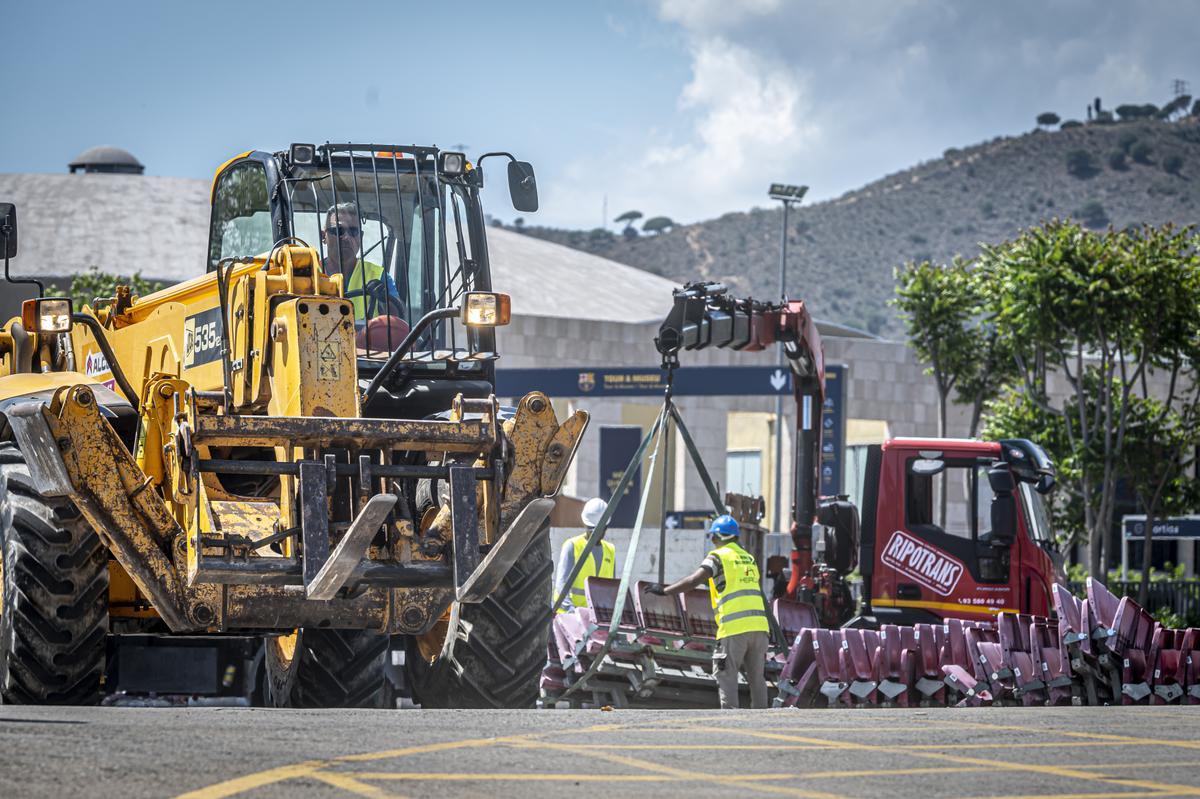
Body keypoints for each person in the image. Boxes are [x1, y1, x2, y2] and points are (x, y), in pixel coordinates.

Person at [648, 515, 769, 709]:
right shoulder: (749, 558)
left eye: (712, 537)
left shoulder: (718, 556)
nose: (712, 541)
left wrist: (664, 591)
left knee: (726, 675)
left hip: (734, 628)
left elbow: (694, 580)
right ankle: (762, 720)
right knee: (757, 679)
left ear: (719, 536)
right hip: (760, 628)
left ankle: (731, 722)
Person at [320, 202, 407, 348]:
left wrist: (386, 300)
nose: (346, 237)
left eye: (353, 232)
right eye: (339, 230)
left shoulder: (378, 276)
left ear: (361, 236)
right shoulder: (307, 274)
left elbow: (398, 321)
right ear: (324, 236)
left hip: (367, 363)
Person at [553, 497, 616, 614]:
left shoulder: (610, 550)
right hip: (570, 617)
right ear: (585, 525)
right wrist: (571, 611)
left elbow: (611, 590)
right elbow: (561, 585)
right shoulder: (572, 546)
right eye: (591, 530)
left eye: (598, 530)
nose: (594, 534)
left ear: (605, 527)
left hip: (597, 618)